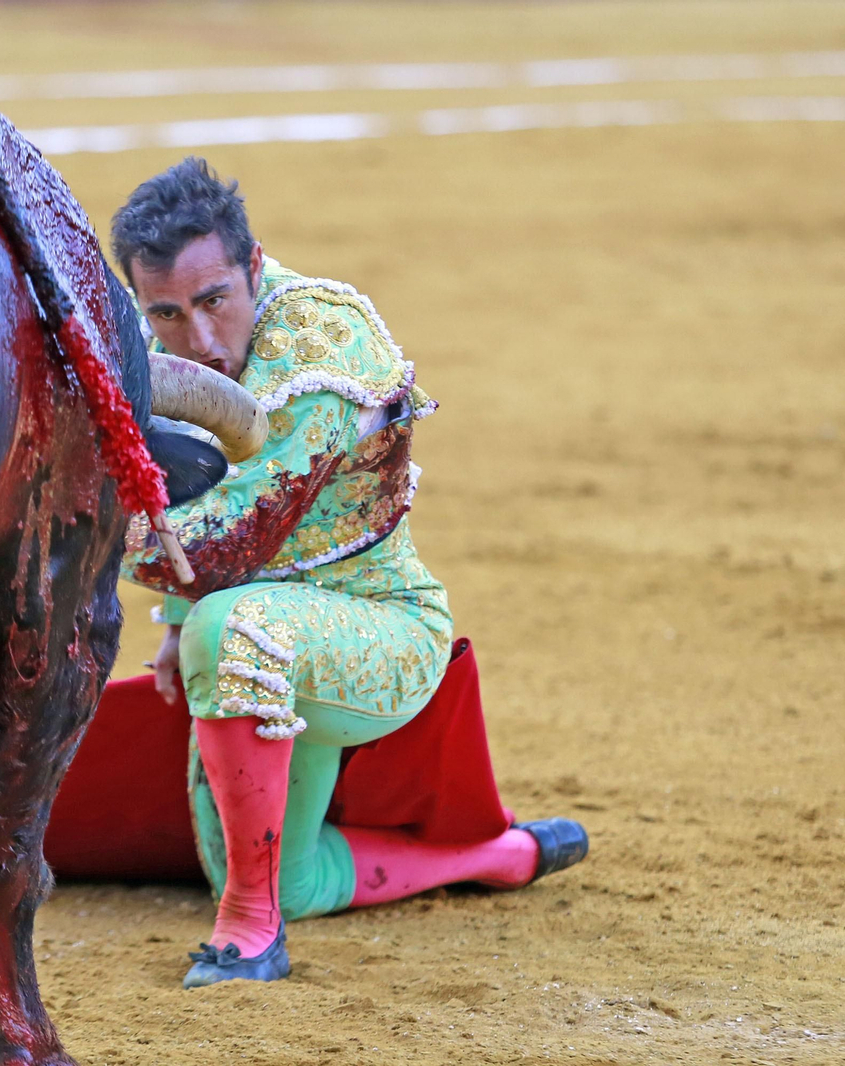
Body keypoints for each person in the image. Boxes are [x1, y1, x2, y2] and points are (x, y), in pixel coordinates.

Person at [112, 157, 588, 989]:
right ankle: (496, 855)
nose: (199, 340)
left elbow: (234, 535)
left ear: (253, 267)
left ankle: (249, 934)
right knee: (284, 874)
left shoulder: (321, 343)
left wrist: (74, 537)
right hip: (278, 630)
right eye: (167, 314)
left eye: (215, 300)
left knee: (236, 627)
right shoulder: (157, 343)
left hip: (380, 629)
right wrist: (176, 622)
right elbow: (191, 489)